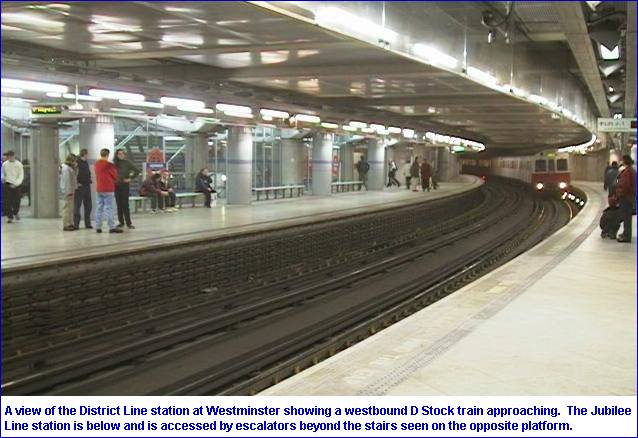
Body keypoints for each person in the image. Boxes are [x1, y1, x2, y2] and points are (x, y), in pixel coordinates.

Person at [94, 148, 123, 233]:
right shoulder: (109, 165)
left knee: (99, 208)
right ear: (107, 155)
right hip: (108, 189)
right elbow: (115, 176)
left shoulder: (96, 164)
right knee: (109, 208)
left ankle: (98, 227)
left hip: (99, 188)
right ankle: (111, 227)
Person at [113, 148, 140, 229]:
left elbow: (137, 171)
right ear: (117, 155)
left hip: (124, 185)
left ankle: (129, 223)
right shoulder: (114, 163)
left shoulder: (127, 162)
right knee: (119, 205)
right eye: (119, 154)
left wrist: (130, 178)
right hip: (116, 186)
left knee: (125, 204)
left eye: (122, 153)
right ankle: (121, 222)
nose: (121, 155)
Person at [614, 155, 636, 243]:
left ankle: (626, 236)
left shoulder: (628, 171)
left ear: (625, 161)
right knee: (627, 217)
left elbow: (625, 185)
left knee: (626, 217)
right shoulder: (631, 170)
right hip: (629, 197)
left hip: (626, 198)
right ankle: (626, 234)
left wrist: (619, 193)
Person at [1, 150, 24, 223]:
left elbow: (21, 175)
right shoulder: (5, 164)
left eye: (10, 156)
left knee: (17, 201)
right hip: (7, 184)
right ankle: (10, 217)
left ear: (13, 156)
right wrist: (2, 178)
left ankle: (15, 212)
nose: (9, 157)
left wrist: (16, 184)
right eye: (8, 156)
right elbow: (2, 173)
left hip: (16, 185)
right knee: (7, 201)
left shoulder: (19, 164)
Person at [73, 148, 93, 229]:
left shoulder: (86, 162)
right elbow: (74, 174)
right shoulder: (77, 162)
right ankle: (76, 224)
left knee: (88, 205)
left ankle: (87, 223)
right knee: (77, 205)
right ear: (85, 154)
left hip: (87, 185)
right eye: (88, 154)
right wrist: (77, 183)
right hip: (80, 187)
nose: (89, 155)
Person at [60, 154, 78, 231]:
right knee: (67, 208)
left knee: (70, 208)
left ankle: (70, 223)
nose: (75, 162)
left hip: (71, 190)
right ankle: (66, 224)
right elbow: (67, 181)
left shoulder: (69, 167)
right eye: (74, 160)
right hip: (68, 191)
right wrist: (69, 191)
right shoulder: (66, 168)